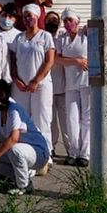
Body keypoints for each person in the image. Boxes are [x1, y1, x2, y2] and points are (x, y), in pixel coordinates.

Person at [0, 80, 50, 196]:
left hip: (38, 152)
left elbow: (14, 138)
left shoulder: (14, 110)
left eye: (0, 94)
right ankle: (24, 179)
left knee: (14, 150)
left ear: (7, 94)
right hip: (23, 152)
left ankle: (22, 186)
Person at [10, 4, 55, 157]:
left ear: (37, 17)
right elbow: (13, 61)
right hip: (21, 87)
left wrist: (36, 80)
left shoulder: (45, 36)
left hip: (40, 85)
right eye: (25, 16)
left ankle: (45, 153)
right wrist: (16, 79)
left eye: (30, 15)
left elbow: (49, 61)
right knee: (21, 120)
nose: (28, 19)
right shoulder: (19, 38)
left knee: (41, 118)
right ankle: (26, 153)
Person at [56, 8, 89, 167]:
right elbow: (58, 59)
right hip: (70, 84)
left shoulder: (85, 35)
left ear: (77, 21)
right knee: (72, 119)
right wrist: (77, 61)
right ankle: (73, 152)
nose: (68, 23)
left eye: (70, 20)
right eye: (65, 21)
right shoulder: (62, 39)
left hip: (87, 82)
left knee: (86, 118)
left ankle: (85, 153)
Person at [44, 11, 69, 158]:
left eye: (55, 20)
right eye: (49, 20)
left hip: (63, 88)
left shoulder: (62, 39)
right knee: (50, 121)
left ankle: (71, 150)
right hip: (47, 88)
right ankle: (51, 147)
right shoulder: (41, 37)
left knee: (67, 123)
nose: (52, 22)